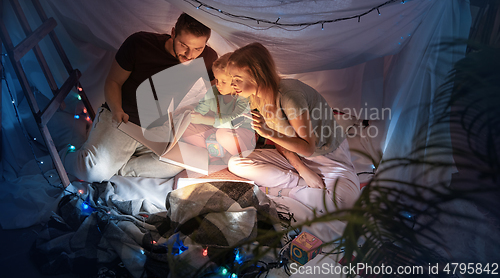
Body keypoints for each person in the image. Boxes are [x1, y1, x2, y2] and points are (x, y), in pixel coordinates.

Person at [63, 13, 218, 183]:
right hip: (125, 120)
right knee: (91, 173)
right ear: (173, 32)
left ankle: (118, 167)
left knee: (192, 160)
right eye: (183, 45)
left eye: (198, 48)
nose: (190, 54)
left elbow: (209, 93)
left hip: (159, 131)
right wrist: (116, 110)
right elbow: (113, 81)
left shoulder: (209, 58)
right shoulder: (140, 43)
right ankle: (66, 155)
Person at [227, 42, 360, 213]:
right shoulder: (255, 98)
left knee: (344, 204)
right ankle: (298, 186)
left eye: (237, 79)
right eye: (232, 79)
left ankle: (285, 190)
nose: (233, 85)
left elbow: (308, 148)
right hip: (295, 157)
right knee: (235, 163)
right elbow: (282, 140)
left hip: (326, 157)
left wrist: (268, 132)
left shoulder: (290, 97)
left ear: (257, 76)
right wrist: (302, 170)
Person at [181, 53, 255, 160]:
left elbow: (233, 122)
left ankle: (241, 158)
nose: (218, 84)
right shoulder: (214, 91)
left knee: (223, 134)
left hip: (240, 135)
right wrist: (190, 114)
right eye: (216, 80)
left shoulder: (243, 96)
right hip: (217, 131)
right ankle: (216, 154)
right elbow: (200, 110)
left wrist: (204, 119)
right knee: (185, 127)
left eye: (223, 82)